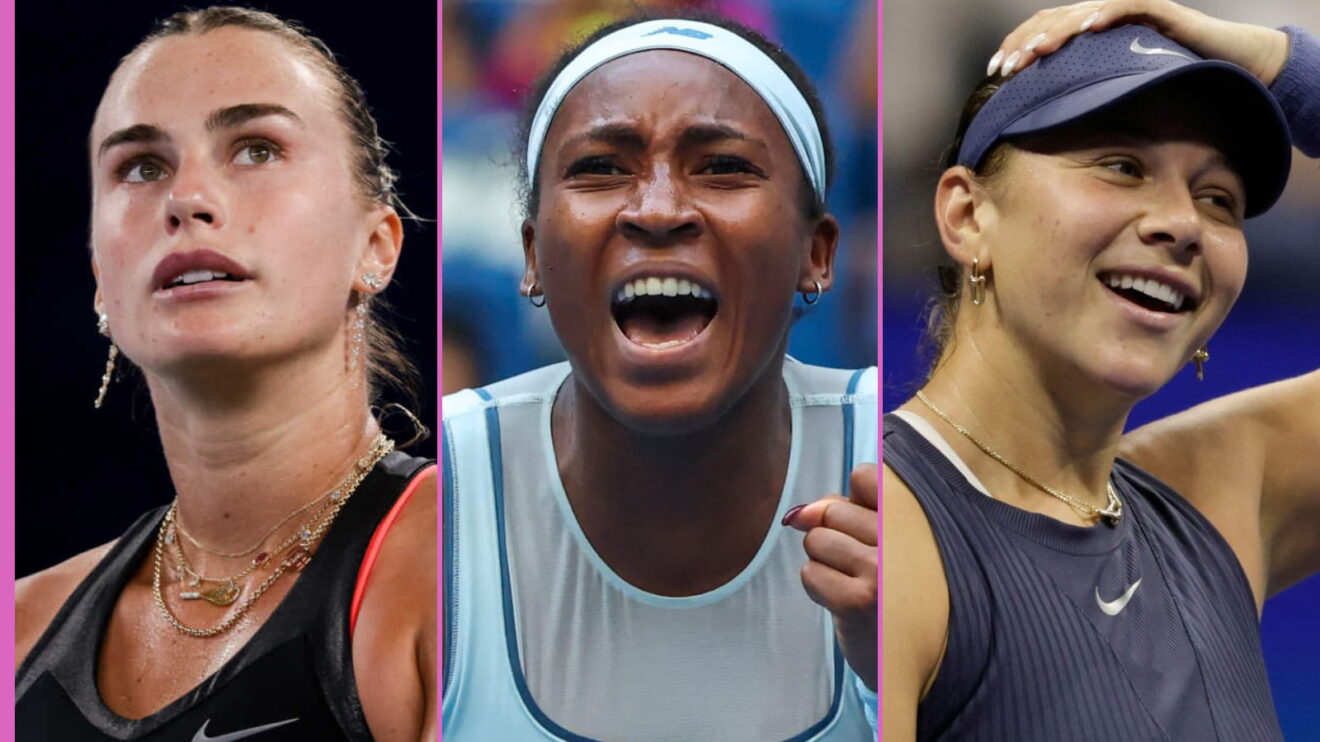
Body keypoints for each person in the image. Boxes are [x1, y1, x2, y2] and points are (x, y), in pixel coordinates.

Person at [883, 1, 1320, 740]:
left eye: (1219, 200)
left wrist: (1287, 69)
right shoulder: (886, 532)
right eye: (1122, 167)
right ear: (966, 216)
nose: (1182, 224)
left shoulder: (1216, 498)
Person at [441, 12, 879, 742]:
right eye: (601, 169)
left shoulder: (908, 474)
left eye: (723, 166)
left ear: (818, 253)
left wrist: (913, 675)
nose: (658, 209)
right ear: (531, 257)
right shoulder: (431, 501)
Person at [13, 8, 437, 742]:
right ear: (99, 281)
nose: (187, 200)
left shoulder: (466, 561)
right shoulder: (20, 628)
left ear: (376, 244)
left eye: (256, 149)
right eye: (141, 166)